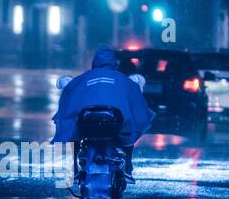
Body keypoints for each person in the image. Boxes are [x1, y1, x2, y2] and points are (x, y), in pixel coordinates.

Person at [52, 46, 154, 176]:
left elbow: (68, 89)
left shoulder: (83, 78)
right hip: (114, 121)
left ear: (94, 62)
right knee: (128, 134)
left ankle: (74, 166)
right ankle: (128, 164)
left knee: (75, 133)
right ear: (114, 62)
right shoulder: (123, 79)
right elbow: (136, 96)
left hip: (87, 120)